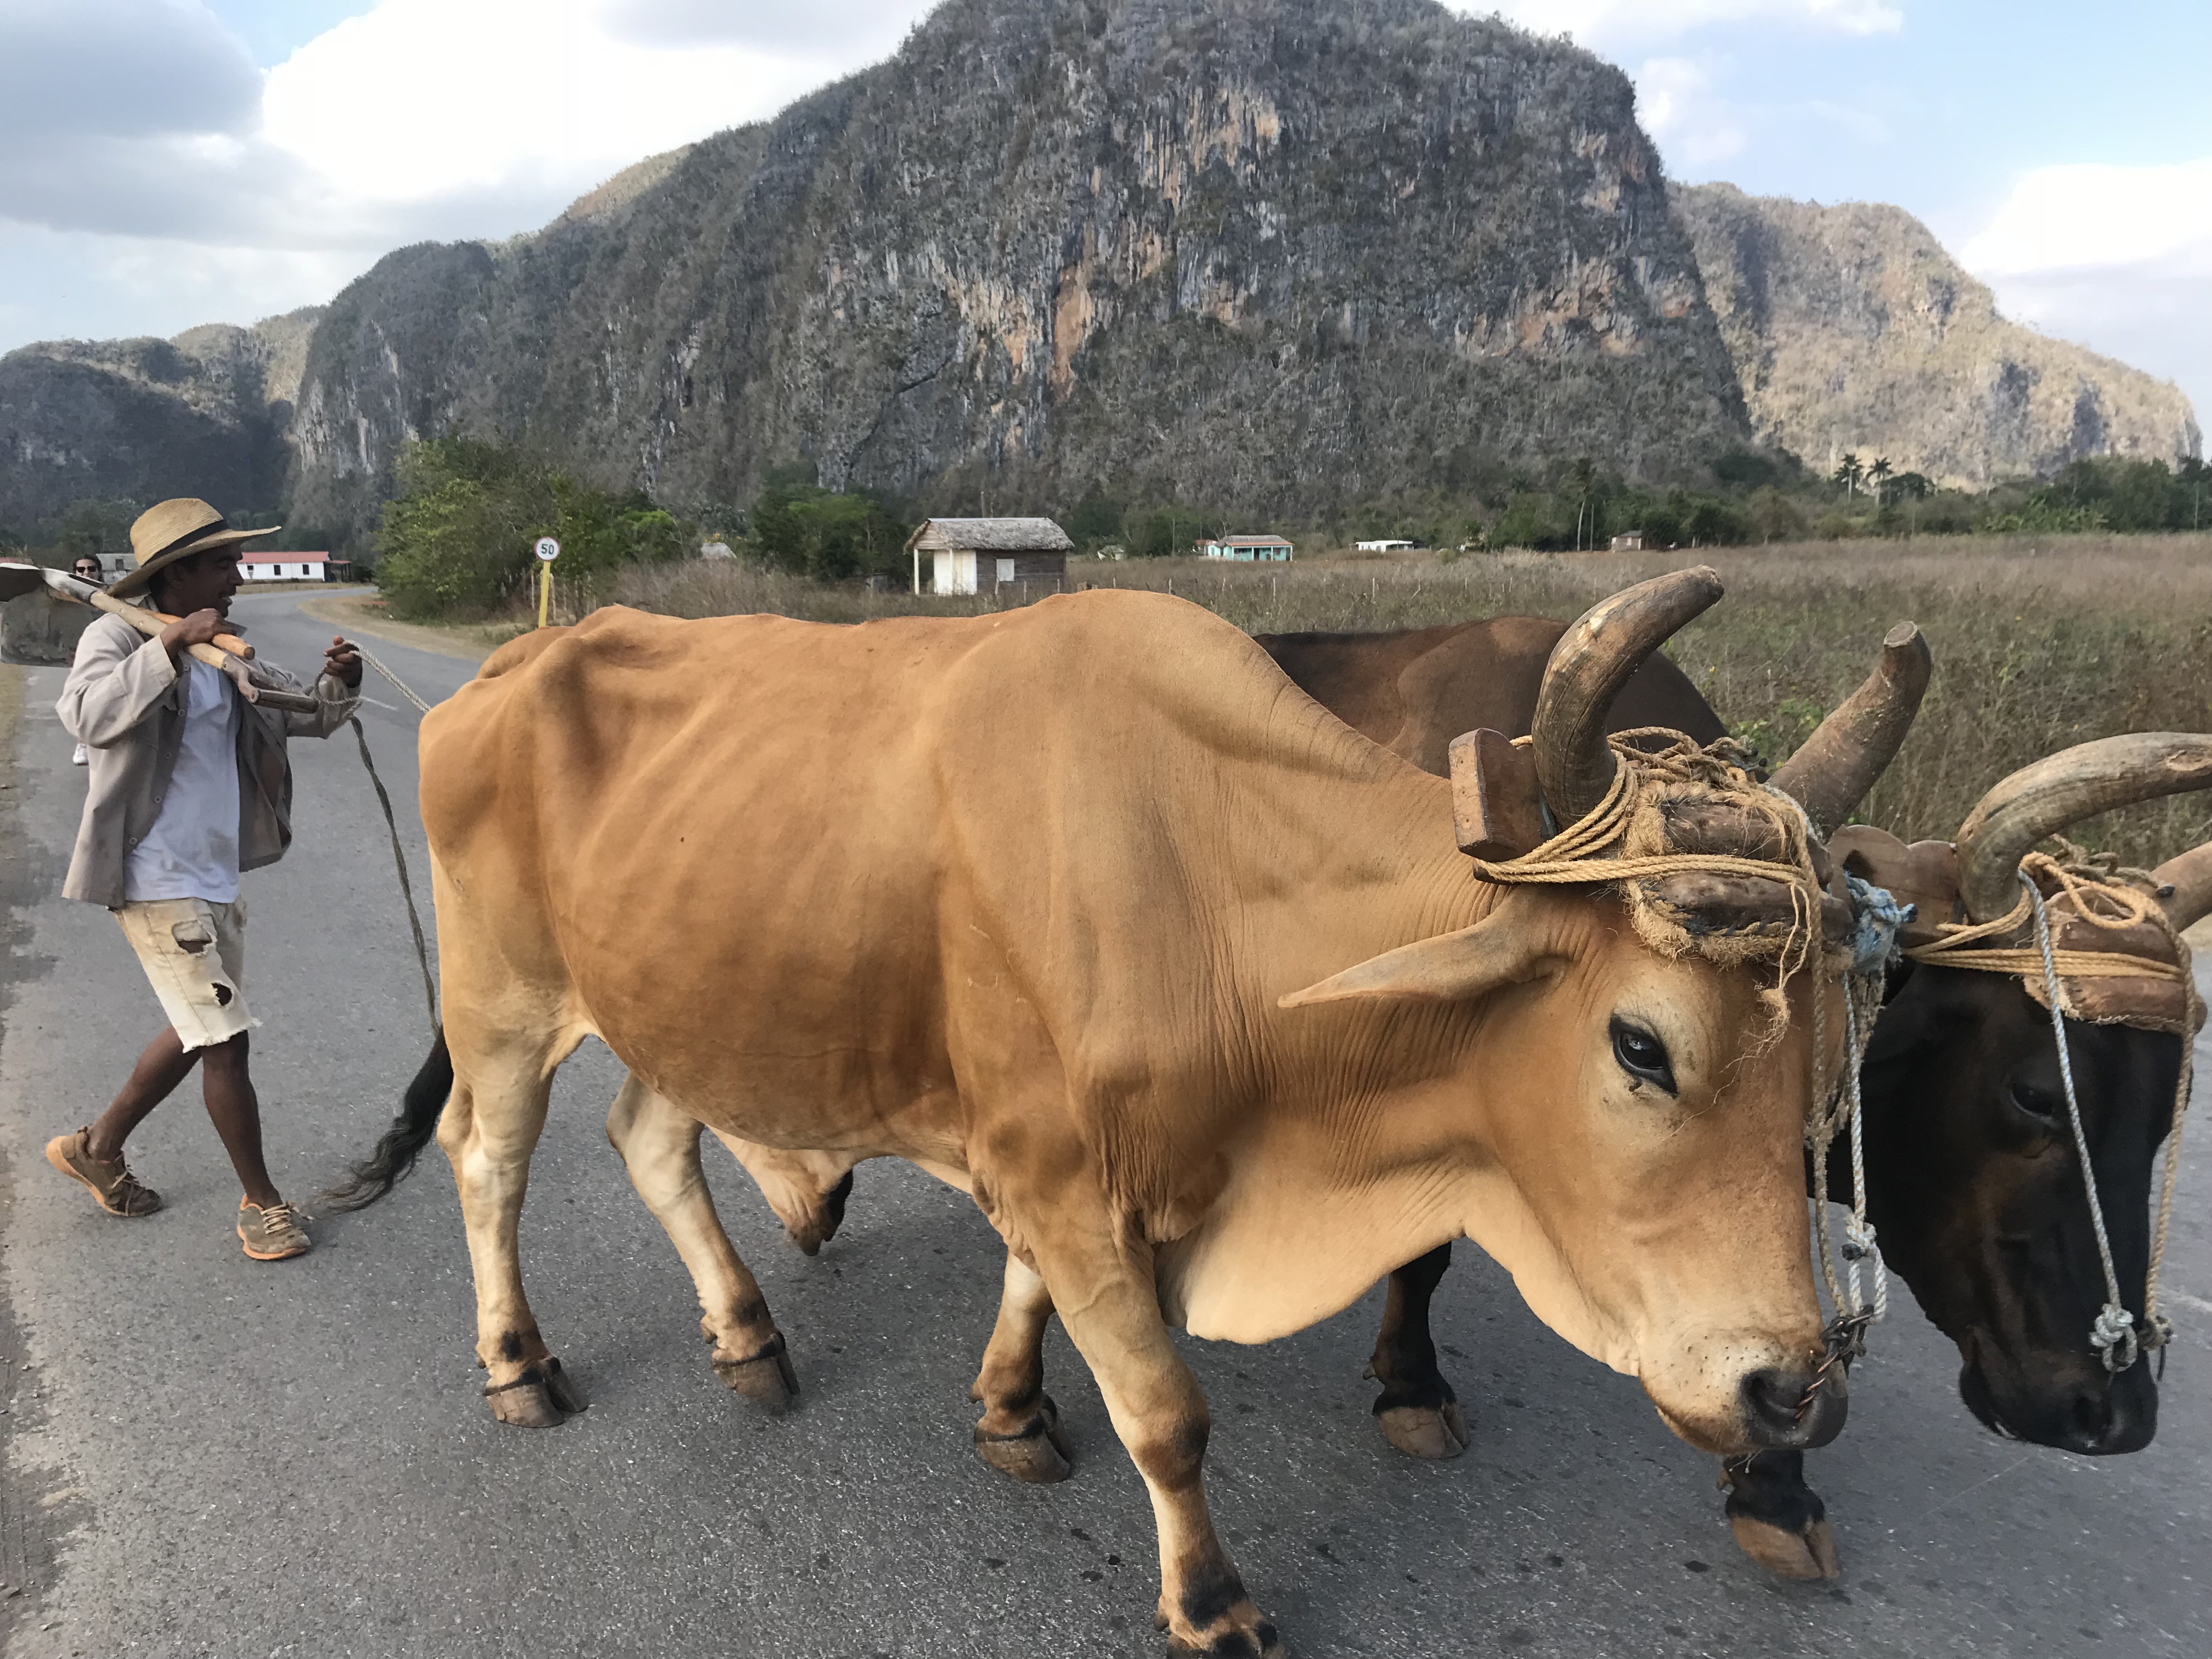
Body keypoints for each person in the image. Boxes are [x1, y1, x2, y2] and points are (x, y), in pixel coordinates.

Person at [46, 499, 362, 1261]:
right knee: (225, 1040)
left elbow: (306, 715)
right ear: (178, 572)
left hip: (215, 874)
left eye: (236, 561)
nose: (237, 575)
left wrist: (337, 682)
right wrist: (168, 649)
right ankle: (263, 1204)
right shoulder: (116, 634)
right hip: (153, 876)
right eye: (222, 563)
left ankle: (99, 1147)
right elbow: (85, 715)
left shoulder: (231, 648)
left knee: (201, 1030)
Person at [68, 555, 105, 764]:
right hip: (78, 655)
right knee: (81, 700)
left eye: (91, 569)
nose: (86, 573)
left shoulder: (111, 596)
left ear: (99, 571)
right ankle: (82, 743)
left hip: (107, 653)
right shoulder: (67, 598)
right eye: (81, 570)